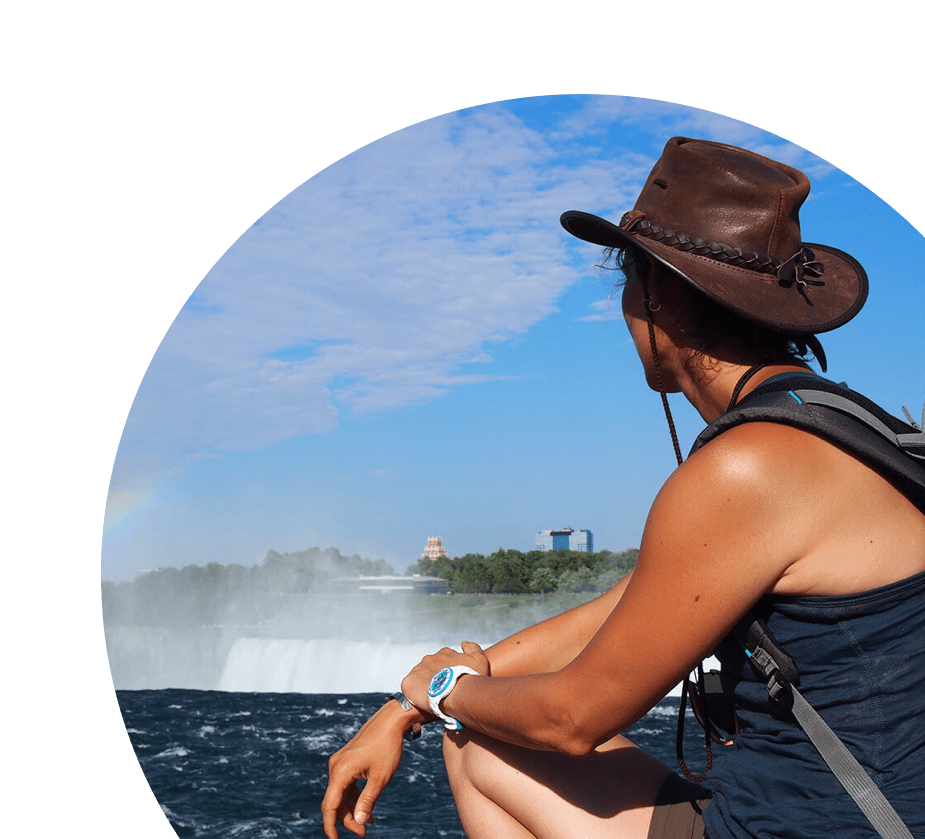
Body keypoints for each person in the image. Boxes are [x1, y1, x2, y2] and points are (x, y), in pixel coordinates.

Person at [322, 137, 925, 839]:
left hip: (806, 828)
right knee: (479, 722)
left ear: (659, 296)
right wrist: (402, 706)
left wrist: (445, 692)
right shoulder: (848, 426)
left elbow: (572, 717)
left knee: (478, 737)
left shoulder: (746, 468)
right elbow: (612, 613)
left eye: (626, 285)